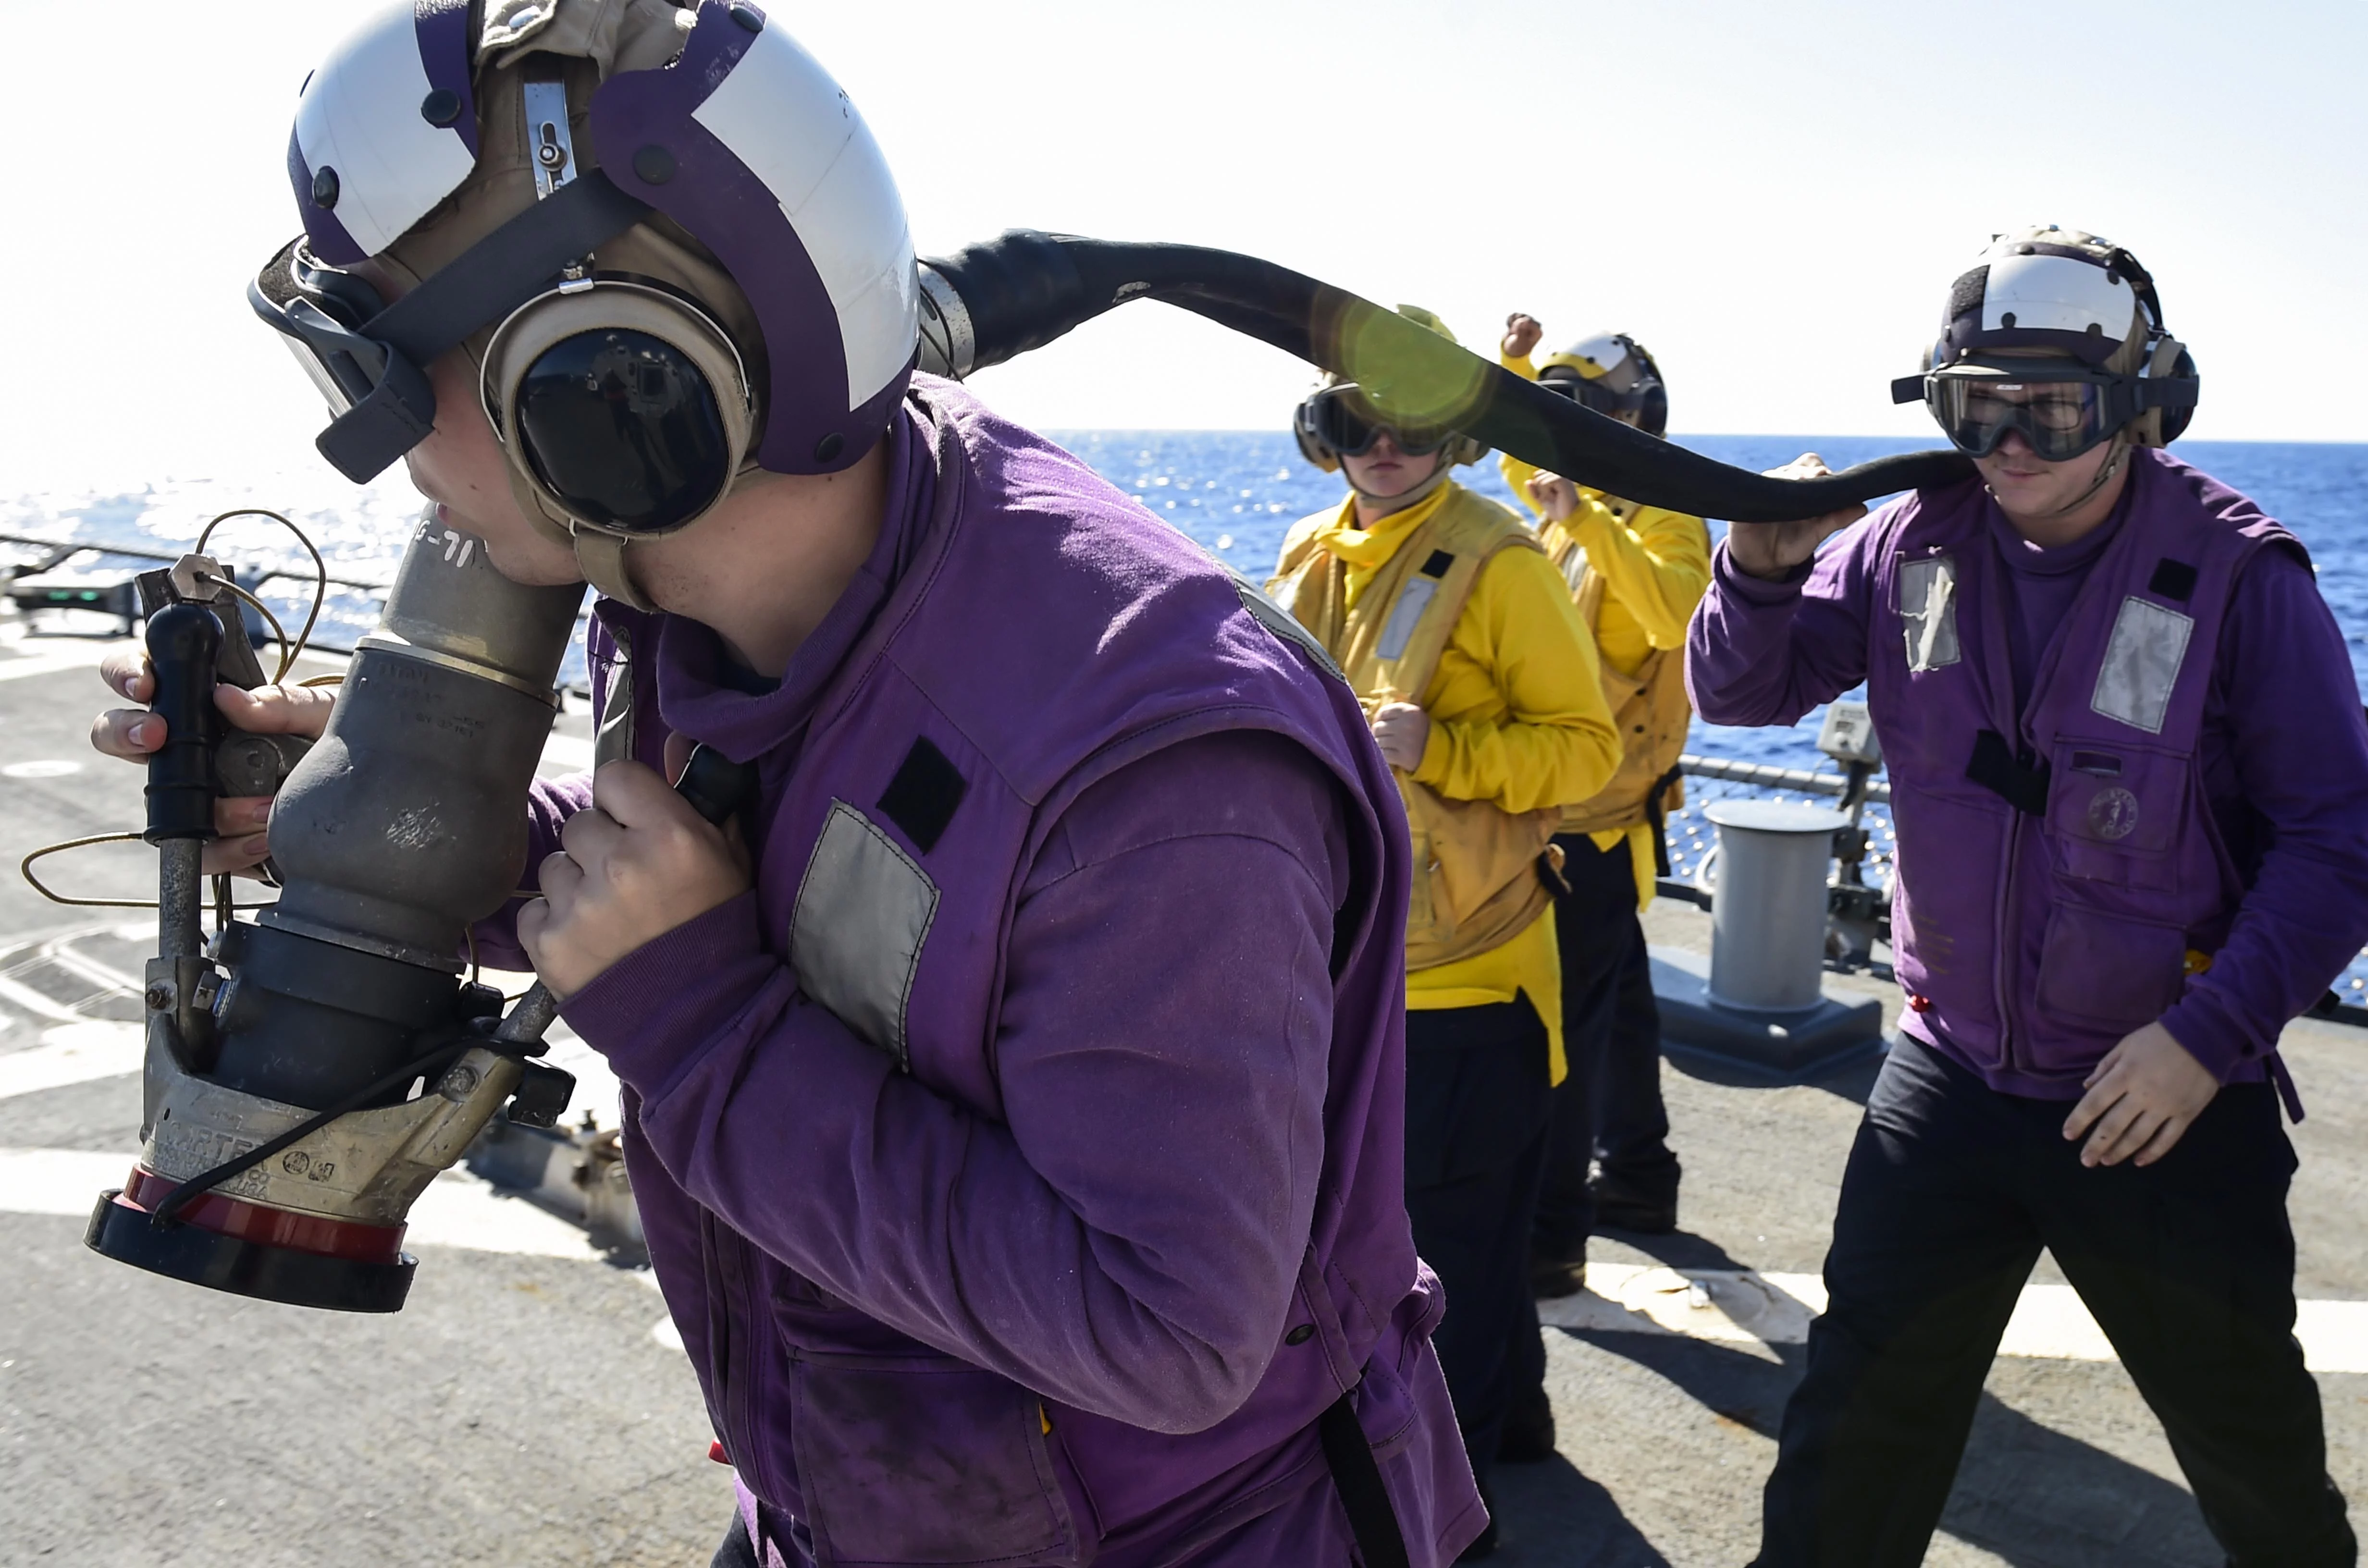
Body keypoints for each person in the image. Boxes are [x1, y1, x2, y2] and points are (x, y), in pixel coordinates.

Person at [89, 4, 1488, 1564]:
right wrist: (408, 833)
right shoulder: (691, 574)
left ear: (599, 374)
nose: (368, 441)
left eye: (375, 367)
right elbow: (786, 881)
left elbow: (1161, 1331)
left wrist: (692, 1016)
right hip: (853, 1506)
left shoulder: (1153, 769)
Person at [1688, 225, 2368, 1566]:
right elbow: (1744, 691)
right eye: (1976, 404)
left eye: (2052, 405)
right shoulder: (1907, 546)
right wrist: (1758, 566)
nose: (2009, 443)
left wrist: (2202, 1044)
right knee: (1850, 1444)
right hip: (1949, 1079)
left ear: (2141, 402)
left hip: (2158, 1096)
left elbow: (2340, 841)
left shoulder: (2243, 578)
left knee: (2255, 1460)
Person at [1270, 314, 1621, 1556]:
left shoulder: (1503, 560)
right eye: (1359, 421)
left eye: (1411, 427)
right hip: (1353, 973)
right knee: (1425, 1240)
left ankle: (1448, 1527)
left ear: (1453, 434)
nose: (1382, 449)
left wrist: (1444, 749)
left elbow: (1590, 755)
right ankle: (1515, 1426)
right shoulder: (1312, 551)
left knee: (1448, 1275)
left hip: (1471, 991)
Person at [1491, 318, 1712, 1462]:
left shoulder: (1661, 517)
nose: (1580, 429)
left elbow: (1678, 617)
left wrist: (1588, 520)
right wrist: (1515, 369)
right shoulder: (1570, 499)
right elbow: (1516, 447)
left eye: (1601, 409)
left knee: (1562, 1040)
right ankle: (1640, 1180)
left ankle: (1554, 1241)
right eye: (1570, 409)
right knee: (1620, 1014)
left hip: (1595, 831)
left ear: (1643, 420)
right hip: (1583, 823)